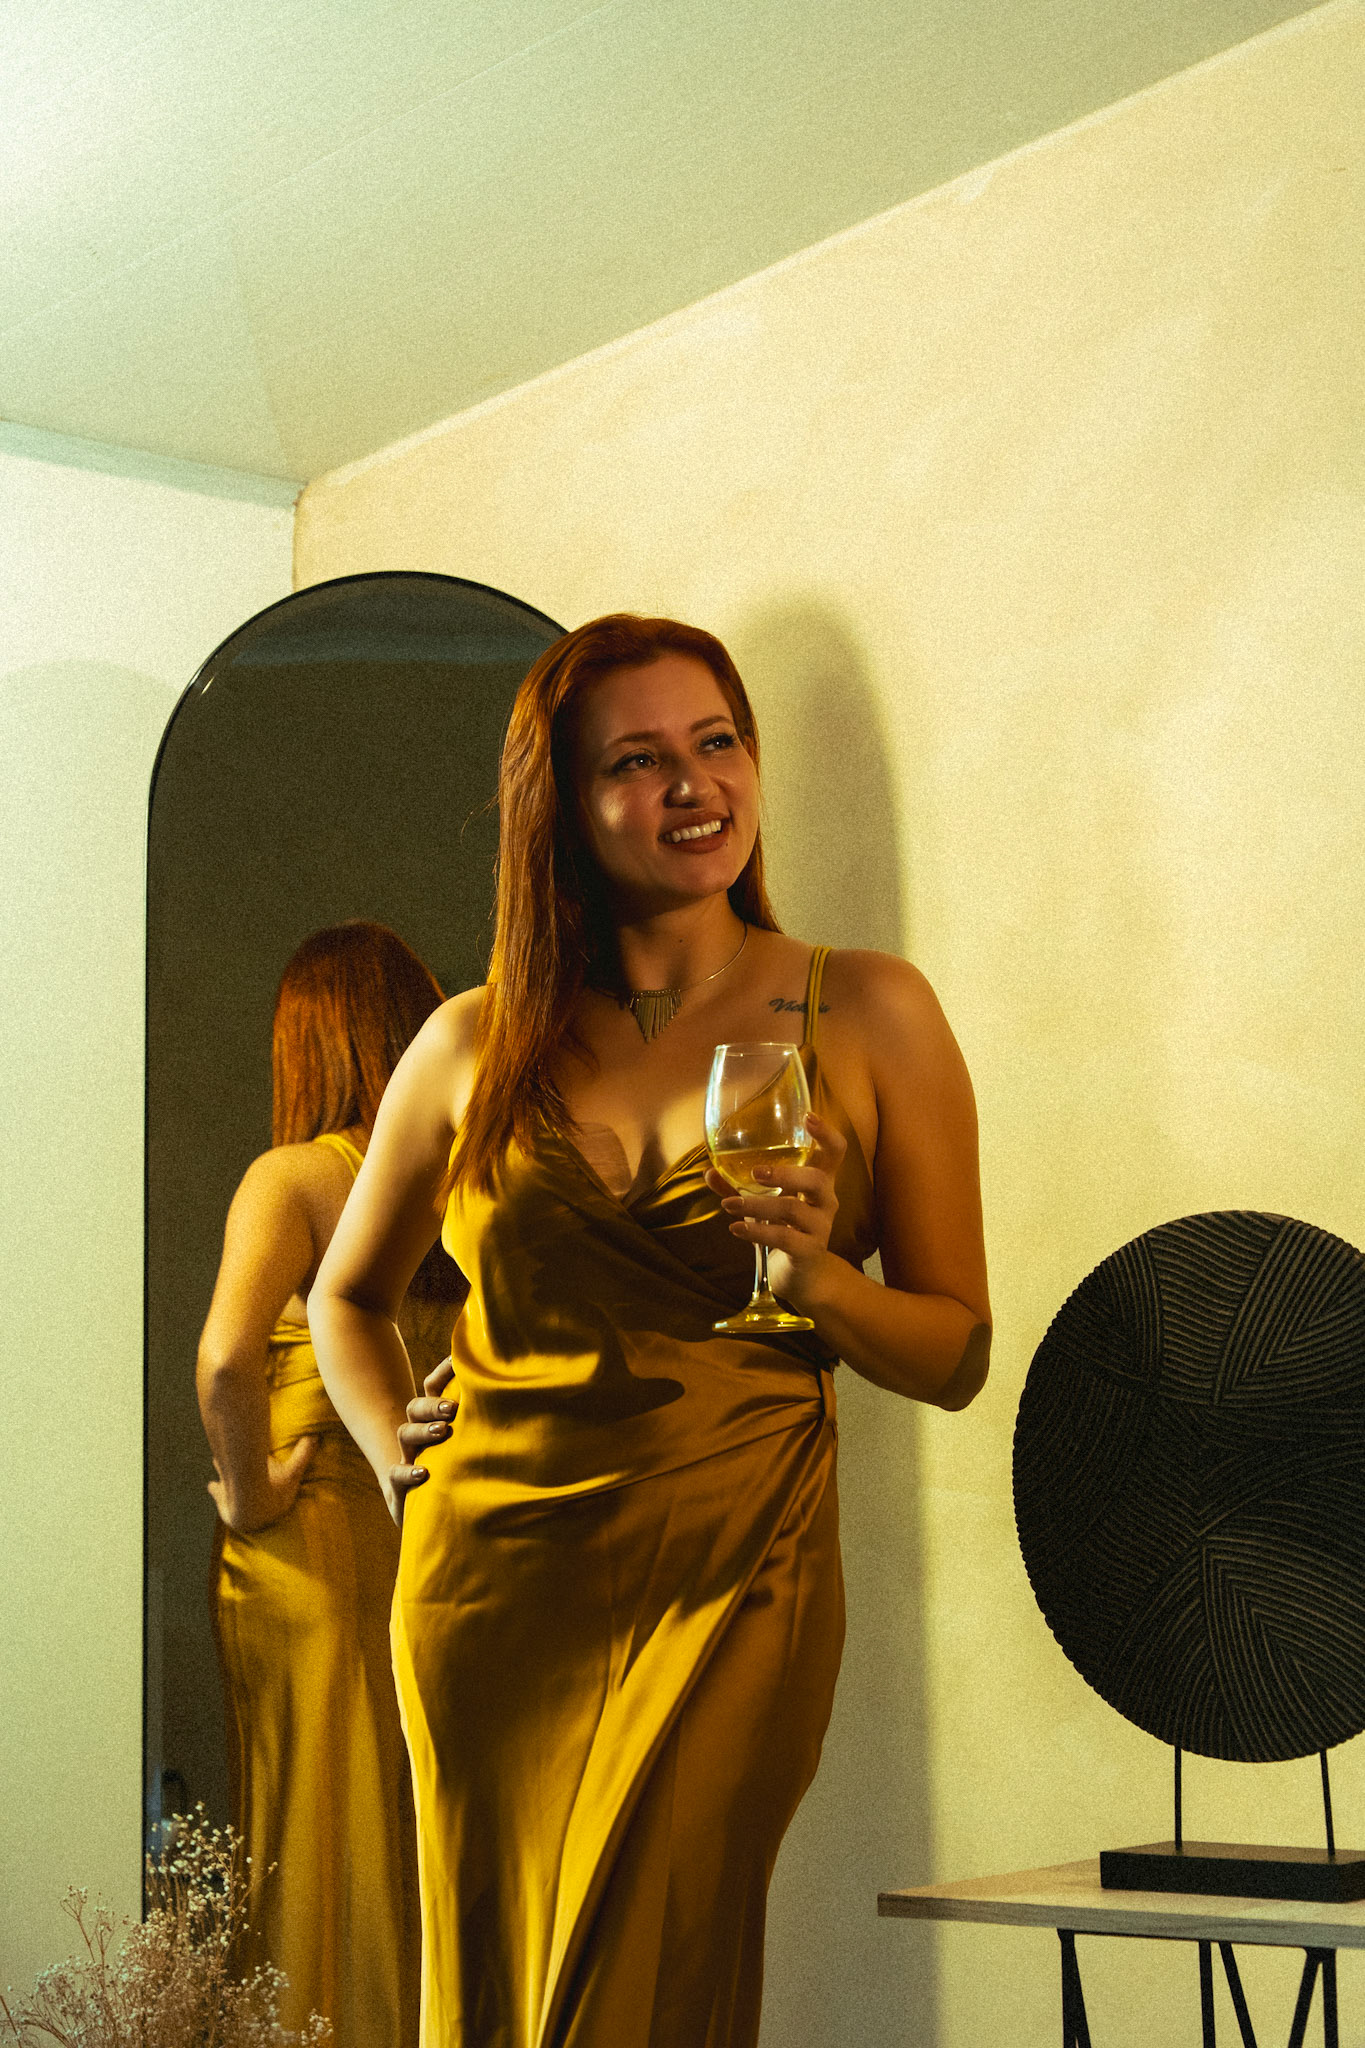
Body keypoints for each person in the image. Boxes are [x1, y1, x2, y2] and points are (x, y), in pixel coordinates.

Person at [308, 616, 991, 2048]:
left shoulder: (869, 1009)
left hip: (734, 1566)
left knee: (655, 1978)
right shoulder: (471, 1041)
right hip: (488, 1590)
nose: (694, 785)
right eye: (636, 761)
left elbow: (956, 1350)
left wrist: (822, 1284)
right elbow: (346, 1296)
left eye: (716, 742)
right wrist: (392, 1449)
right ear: (558, 806)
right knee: (492, 1995)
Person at [197, 920, 462, 2048]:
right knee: (406, 1823)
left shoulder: (295, 1178)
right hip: (425, 1540)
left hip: (304, 1551)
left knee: (304, 1832)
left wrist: (250, 1489)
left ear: (305, 1040)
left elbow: (224, 1357)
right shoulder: (454, 1182)